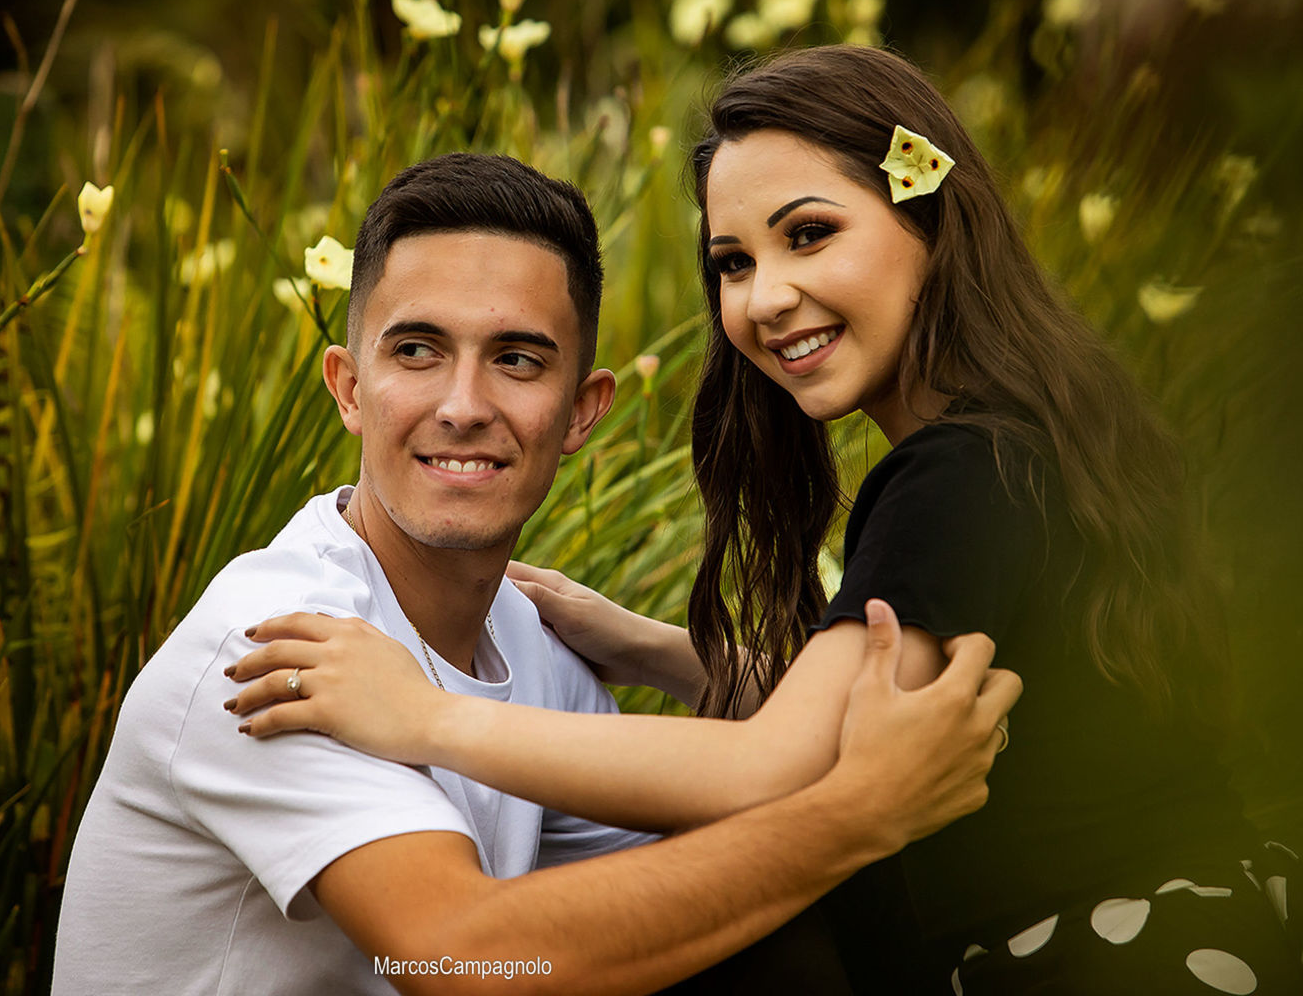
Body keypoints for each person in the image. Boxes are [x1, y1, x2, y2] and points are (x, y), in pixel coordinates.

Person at [229, 49, 1300, 994]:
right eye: (733, 263)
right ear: (348, 383)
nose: (767, 295)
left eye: (809, 234)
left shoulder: (957, 475)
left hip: (1113, 958)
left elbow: (773, 770)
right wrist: (659, 650)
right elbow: (867, 709)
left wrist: (426, 717)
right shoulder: (1030, 438)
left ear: (932, 212)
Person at [53, 151, 1019, 996]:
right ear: (349, 388)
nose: (464, 406)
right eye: (419, 351)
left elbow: (710, 878)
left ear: (583, 411)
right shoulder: (280, 646)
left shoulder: (528, 644)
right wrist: (855, 817)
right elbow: (456, 958)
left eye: (517, 359)